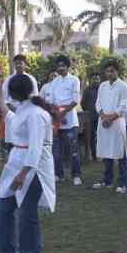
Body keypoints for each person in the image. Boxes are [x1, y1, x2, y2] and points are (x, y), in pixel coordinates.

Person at [0, 74, 56, 253]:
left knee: (27, 211)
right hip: (16, 161)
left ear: (15, 93)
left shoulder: (37, 114)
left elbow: (35, 148)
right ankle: (7, 251)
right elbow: (13, 117)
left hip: (33, 169)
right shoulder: (25, 110)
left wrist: (23, 174)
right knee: (4, 205)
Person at [91, 60, 127, 193]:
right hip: (103, 122)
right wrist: (103, 116)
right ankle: (107, 180)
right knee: (106, 151)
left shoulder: (123, 86)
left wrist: (111, 118)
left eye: (112, 71)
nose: (109, 73)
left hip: (117, 123)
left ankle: (122, 183)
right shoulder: (102, 85)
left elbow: (124, 106)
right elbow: (98, 103)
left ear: (117, 71)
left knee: (120, 154)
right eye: (107, 71)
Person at [48, 55, 82, 186]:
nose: (60, 68)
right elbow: (51, 100)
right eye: (58, 66)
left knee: (73, 150)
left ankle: (76, 175)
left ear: (68, 67)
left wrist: (63, 112)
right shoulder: (54, 81)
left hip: (70, 120)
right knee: (56, 150)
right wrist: (54, 112)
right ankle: (58, 174)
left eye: (63, 66)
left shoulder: (74, 80)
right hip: (56, 118)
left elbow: (75, 100)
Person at [2, 55, 39, 153]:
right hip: (12, 113)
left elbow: (35, 97)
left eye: (20, 63)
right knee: (12, 141)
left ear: (25, 65)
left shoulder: (31, 79)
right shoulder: (8, 80)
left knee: (26, 140)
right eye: (16, 63)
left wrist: (25, 111)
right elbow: (5, 99)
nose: (18, 65)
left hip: (28, 114)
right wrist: (16, 111)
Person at [81, 72, 101, 161]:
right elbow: (82, 103)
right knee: (92, 137)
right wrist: (88, 110)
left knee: (101, 136)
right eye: (94, 79)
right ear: (91, 80)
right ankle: (94, 155)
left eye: (97, 79)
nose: (96, 80)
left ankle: (103, 154)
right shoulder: (87, 90)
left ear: (100, 80)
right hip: (90, 117)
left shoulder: (102, 89)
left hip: (102, 117)